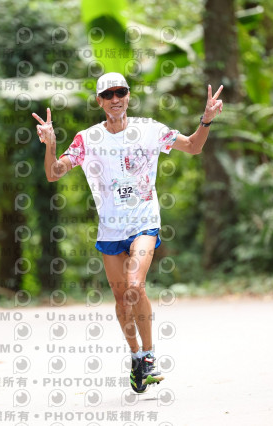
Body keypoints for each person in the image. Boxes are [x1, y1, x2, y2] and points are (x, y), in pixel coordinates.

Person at [32, 72, 223, 393]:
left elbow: (192, 146)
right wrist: (50, 145)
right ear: (99, 101)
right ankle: (135, 357)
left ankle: (148, 355)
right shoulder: (87, 139)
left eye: (120, 92)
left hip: (144, 222)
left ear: (128, 95)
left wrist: (206, 120)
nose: (115, 99)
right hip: (110, 229)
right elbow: (54, 173)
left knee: (135, 286)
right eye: (108, 95)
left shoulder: (150, 130)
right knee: (122, 299)